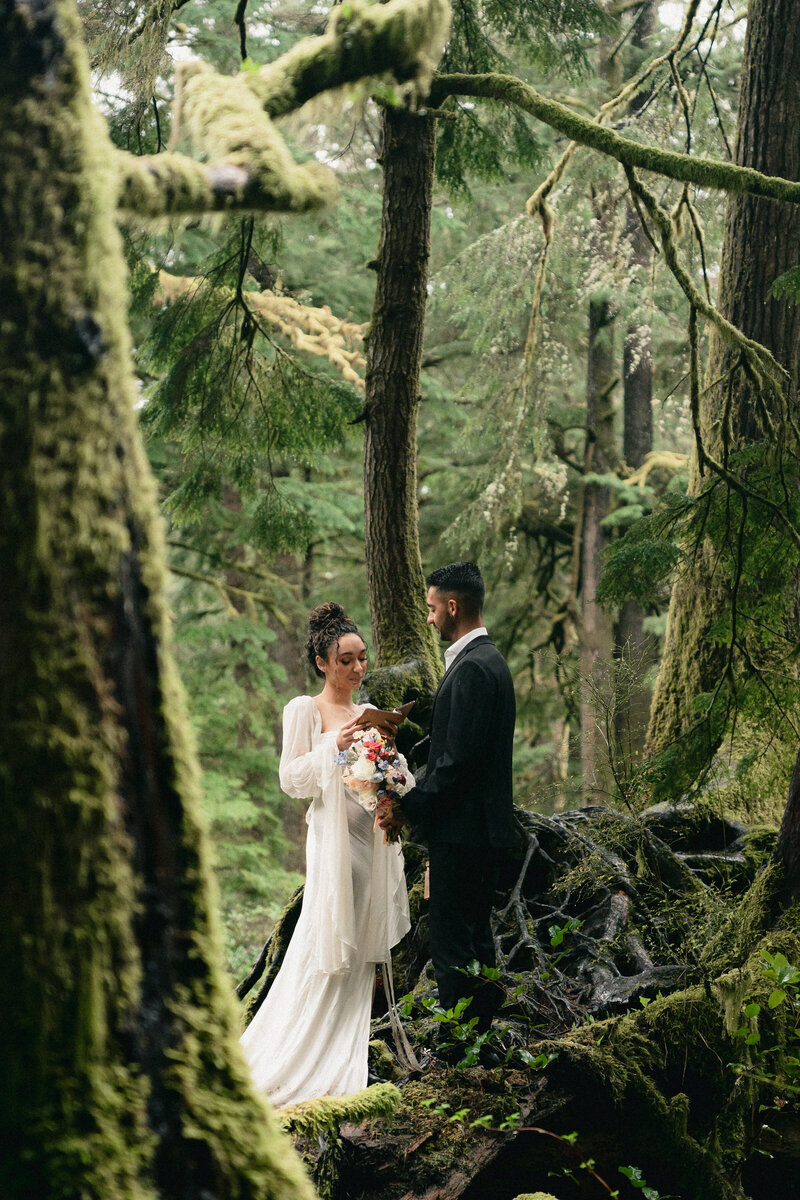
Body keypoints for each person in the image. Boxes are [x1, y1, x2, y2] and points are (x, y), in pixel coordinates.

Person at [240, 602, 411, 1105]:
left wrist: (393, 792)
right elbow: (291, 780)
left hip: (371, 842)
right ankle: (291, 1055)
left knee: (360, 945)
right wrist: (334, 743)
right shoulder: (304, 710)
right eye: (346, 661)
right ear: (322, 662)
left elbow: (394, 777)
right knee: (324, 943)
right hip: (333, 845)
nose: (358, 669)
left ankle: (343, 1057)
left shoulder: (370, 713)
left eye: (362, 659)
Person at [378, 562, 516, 1057]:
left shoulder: (475, 667)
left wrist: (407, 800)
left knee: (454, 943)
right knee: (475, 938)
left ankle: (461, 1049)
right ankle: (479, 1041)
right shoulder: (485, 660)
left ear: (452, 606)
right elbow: (455, 746)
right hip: (479, 829)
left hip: (466, 832)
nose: (430, 619)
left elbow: (456, 766)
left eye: (433, 608)